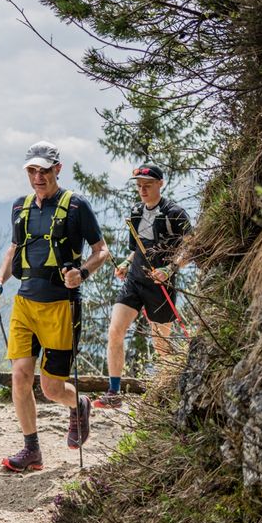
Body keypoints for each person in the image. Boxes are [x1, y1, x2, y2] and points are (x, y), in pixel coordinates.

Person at [0, 142, 110, 471]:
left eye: (44, 170)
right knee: (20, 377)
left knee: (51, 387)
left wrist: (82, 273)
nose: (38, 177)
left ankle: (78, 403)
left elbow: (101, 250)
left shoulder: (76, 206)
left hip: (60, 305)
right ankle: (32, 450)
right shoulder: (20, 207)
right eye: (32, 171)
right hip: (25, 302)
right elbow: (14, 249)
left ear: (58, 168)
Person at [104, 163, 191, 406]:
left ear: (160, 184)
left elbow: (190, 247)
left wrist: (170, 269)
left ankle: (167, 395)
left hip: (161, 284)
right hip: (135, 281)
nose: (142, 190)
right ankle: (114, 392)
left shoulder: (175, 213)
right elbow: (136, 250)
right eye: (139, 186)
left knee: (161, 345)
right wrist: (124, 263)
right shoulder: (135, 212)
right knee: (115, 331)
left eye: (148, 185)